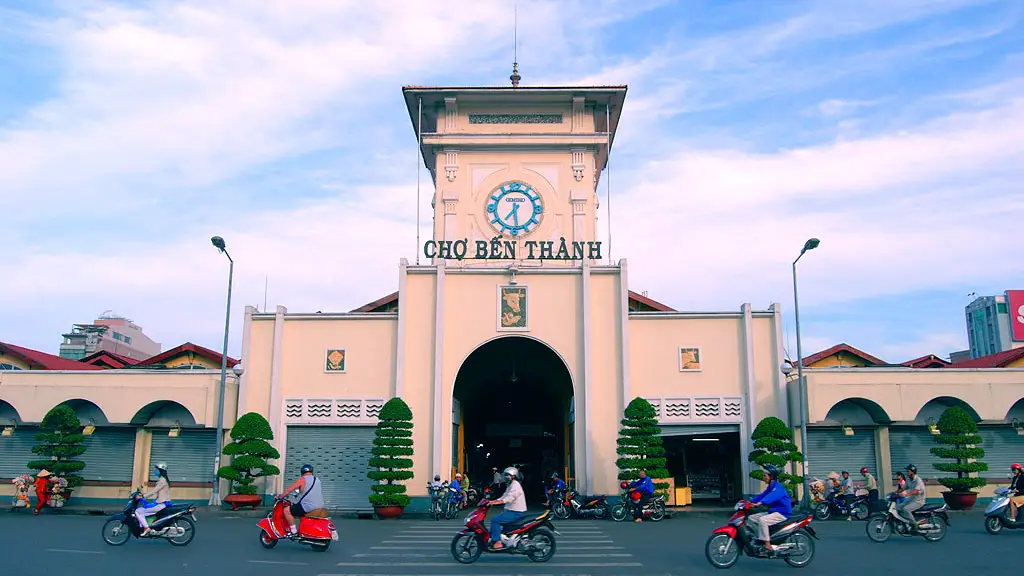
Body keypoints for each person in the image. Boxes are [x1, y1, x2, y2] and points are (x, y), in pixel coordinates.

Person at [748, 464, 792, 554]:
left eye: (765, 475)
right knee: (751, 518)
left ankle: (767, 545)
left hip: (782, 513)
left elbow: (772, 496)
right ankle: (761, 538)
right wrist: (750, 502)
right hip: (773, 511)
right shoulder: (770, 487)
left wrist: (761, 502)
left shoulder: (778, 487)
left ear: (771, 477)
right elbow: (762, 495)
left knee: (762, 520)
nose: (763, 477)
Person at [279, 464, 325, 537]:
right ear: (312, 471)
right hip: (320, 505)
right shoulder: (317, 479)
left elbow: (289, 490)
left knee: (286, 510)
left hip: (308, 506)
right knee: (300, 512)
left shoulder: (302, 479)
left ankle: (293, 532)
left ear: (302, 472)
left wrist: (280, 496)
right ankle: (304, 530)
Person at [487, 467, 526, 550]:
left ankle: (497, 542)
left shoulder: (515, 485)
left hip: (515, 512)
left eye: (507, 475)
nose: (505, 477)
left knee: (495, 520)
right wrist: (493, 501)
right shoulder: (510, 485)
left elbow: (510, 498)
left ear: (513, 476)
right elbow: (504, 495)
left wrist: (499, 502)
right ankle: (505, 540)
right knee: (501, 522)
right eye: (505, 475)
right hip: (510, 510)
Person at [136, 462, 173, 536]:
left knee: (138, 511)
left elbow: (154, 491)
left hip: (161, 504)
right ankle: (146, 526)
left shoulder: (162, 480)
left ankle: (146, 528)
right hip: (161, 503)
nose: (155, 471)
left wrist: (143, 496)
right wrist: (143, 495)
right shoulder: (163, 479)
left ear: (161, 471)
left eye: (157, 470)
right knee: (144, 509)